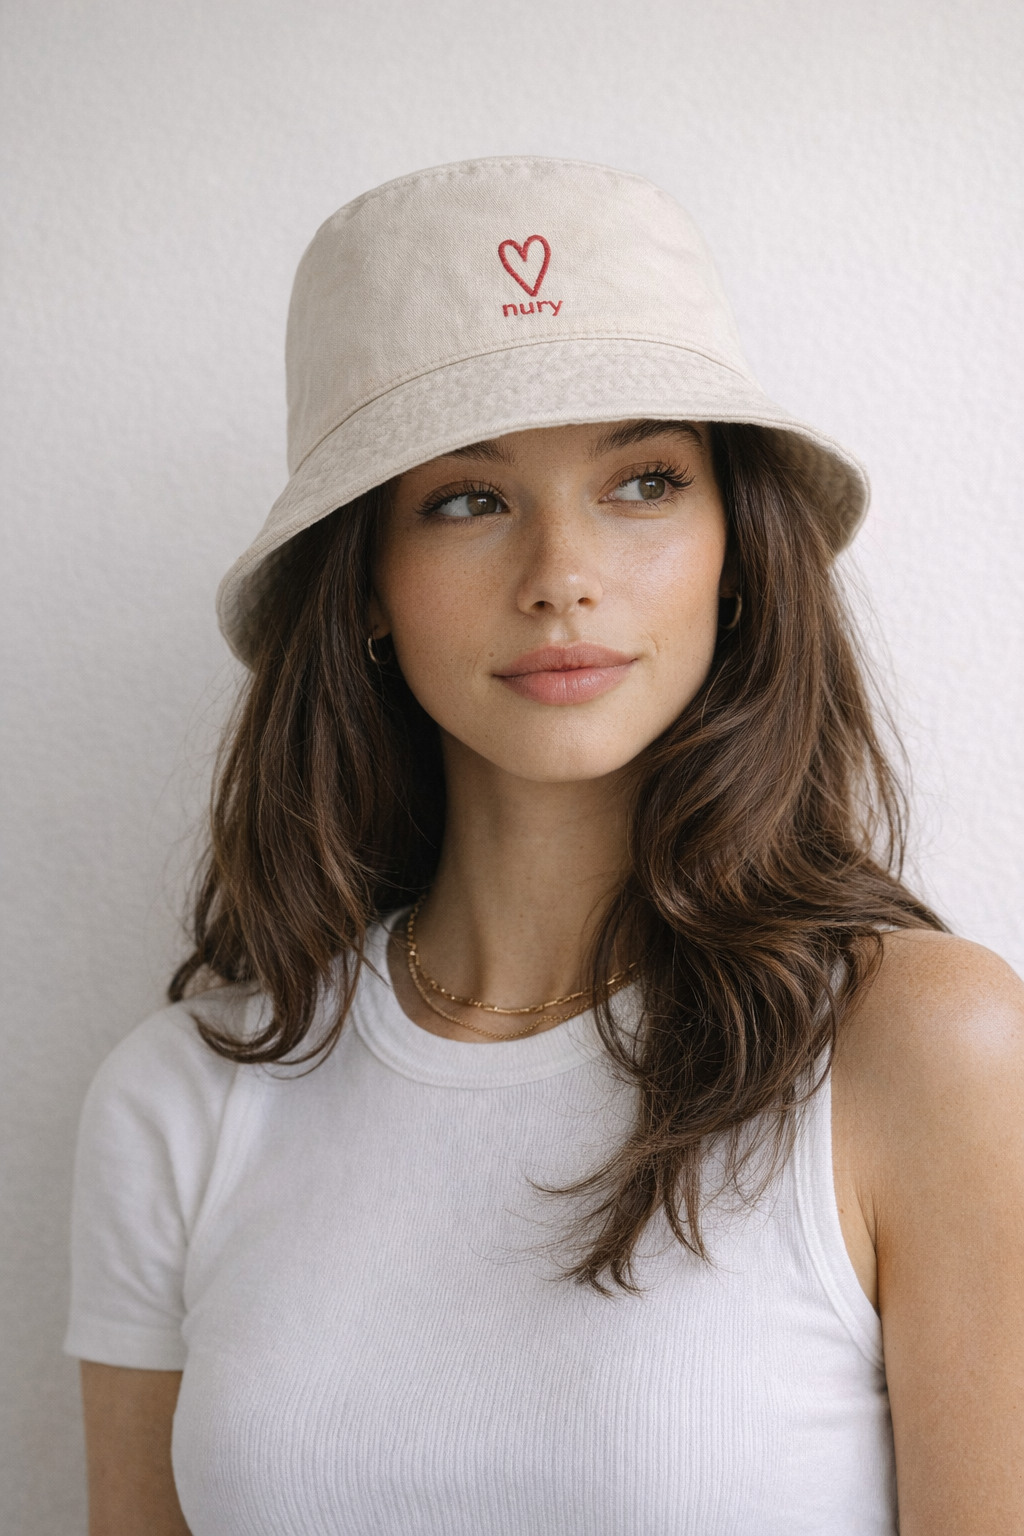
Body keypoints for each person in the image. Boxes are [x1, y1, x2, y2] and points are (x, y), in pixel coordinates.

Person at [65, 157, 1024, 1536]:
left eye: (644, 481)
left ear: (736, 548)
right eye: (469, 498)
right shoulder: (182, 1102)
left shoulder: (916, 1049)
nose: (563, 575)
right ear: (367, 584)